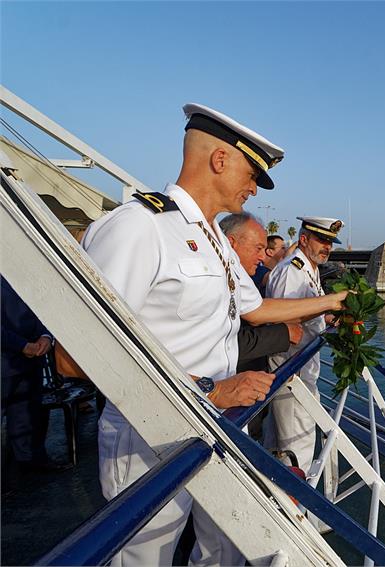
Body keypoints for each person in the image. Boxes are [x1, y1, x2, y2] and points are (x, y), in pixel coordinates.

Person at [75, 104, 347, 567]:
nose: (255, 188)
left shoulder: (215, 240)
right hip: (150, 439)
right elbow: (76, 356)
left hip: (214, 424)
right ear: (219, 160)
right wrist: (210, 389)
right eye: (253, 174)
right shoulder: (141, 228)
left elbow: (257, 309)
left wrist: (331, 303)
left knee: (224, 548)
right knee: (146, 559)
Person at [264, 216, 343, 471]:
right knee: (298, 445)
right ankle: (295, 507)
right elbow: (283, 319)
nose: (327, 247)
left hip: (301, 370)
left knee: (279, 442)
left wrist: (327, 316)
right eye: (321, 240)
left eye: (330, 242)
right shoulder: (292, 270)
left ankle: (273, 498)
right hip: (292, 370)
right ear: (304, 239)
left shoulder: (309, 269)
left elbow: (307, 310)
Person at [219, 212, 303, 372]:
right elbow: (226, 340)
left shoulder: (238, 276)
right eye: (258, 248)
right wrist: (283, 334)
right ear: (231, 244)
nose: (262, 256)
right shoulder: (217, 280)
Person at [1, 277, 64, 473]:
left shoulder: (24, 268)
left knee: (28, 415)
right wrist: (21, 345)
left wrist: (46, 336)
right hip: (9, 359)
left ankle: (31, 462)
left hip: (30, 360)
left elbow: (43, 303)